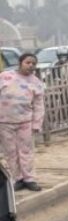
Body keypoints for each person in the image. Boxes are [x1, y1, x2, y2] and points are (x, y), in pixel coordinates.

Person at [0, 53, 45, 192]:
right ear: (20, 63)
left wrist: (37, 124)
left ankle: (29, 179)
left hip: (25, 122)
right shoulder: (5, 76)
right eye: (28, 62)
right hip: (4, 122)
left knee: (26, 151)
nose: (31, 65)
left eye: (33, 63)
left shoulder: (36, 82)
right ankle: (17, 179)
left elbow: (39, 105)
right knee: (10, 152)